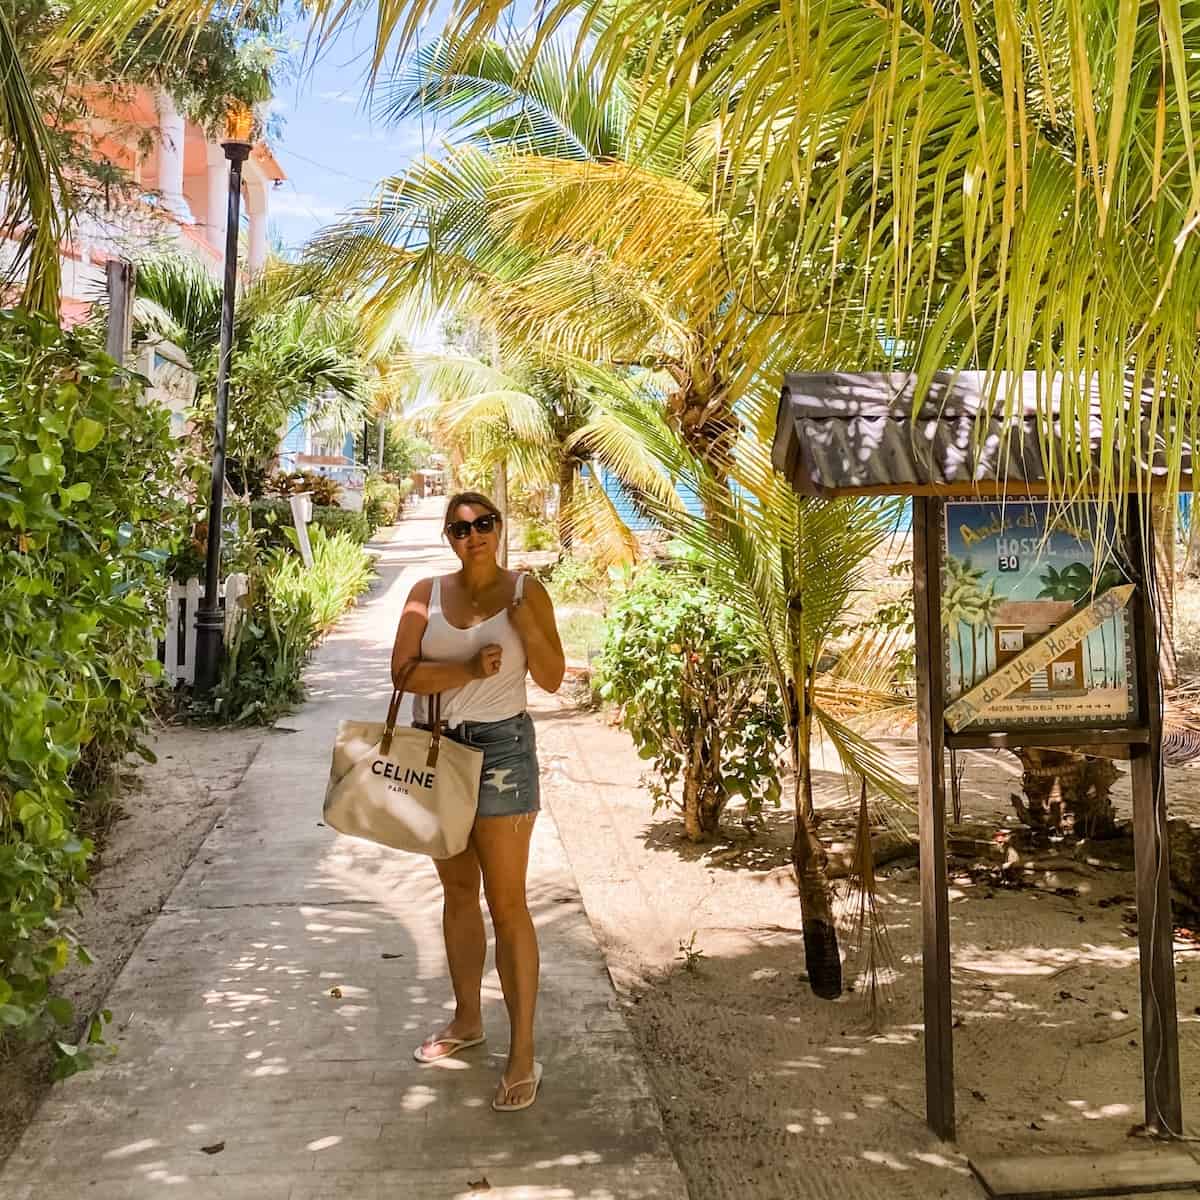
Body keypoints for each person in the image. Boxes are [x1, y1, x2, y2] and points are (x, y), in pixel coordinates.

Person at [390, 491, 565, 1112]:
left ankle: (523, 1054)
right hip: (436, 748)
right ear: (449, 537)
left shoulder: (525, 591)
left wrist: (524, 627)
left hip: (503, 752)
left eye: (484, 524)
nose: (474, 536)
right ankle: (468, 1020)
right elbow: (403, 674)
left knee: (508, 902)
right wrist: (466, 668)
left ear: (499, 527)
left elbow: (551, 677)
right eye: (461, 529)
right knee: (458, 893)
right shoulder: (426, 592)